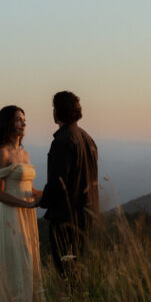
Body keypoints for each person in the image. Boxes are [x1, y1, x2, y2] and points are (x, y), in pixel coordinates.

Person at [0, 105, 43, 302]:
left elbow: (29, 188)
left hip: (27, 215)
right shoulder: (1, 153)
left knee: (28, 264)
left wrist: (48, 195)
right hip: (10, 217)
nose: (23, 123)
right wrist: (25, 204)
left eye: (24, 119)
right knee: (14, 266)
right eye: (18, 119)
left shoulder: (25, 153)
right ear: (7, 123)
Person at [38, 90, 99, 277]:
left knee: (66, 272)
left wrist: (41, 201)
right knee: (79, 268)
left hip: (66, 218)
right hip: (87, 215)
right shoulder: (87, 138)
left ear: (58, 111)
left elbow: (58, 183)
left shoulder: (62, 141)